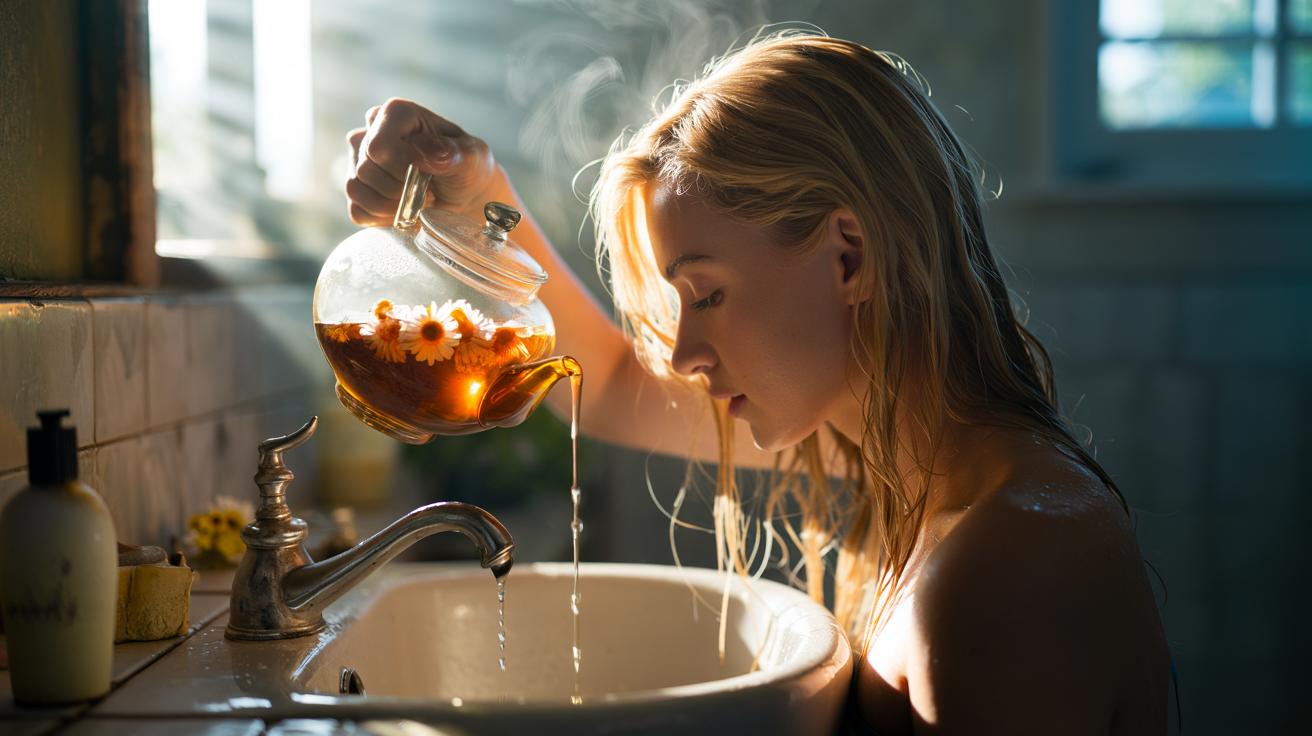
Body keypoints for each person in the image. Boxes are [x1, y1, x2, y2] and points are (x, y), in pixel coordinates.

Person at [343, 31, 1170, 734]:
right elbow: (616, 380)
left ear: (849, 255)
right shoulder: (909, 457)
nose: (684, 353)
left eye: (706, 295)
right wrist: (480, 195)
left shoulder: (1011, 567)